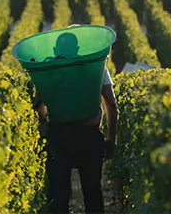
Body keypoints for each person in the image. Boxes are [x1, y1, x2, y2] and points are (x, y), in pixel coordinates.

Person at [33, 28, 117, 214]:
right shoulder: (96, 66)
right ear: (79, 48)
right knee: (93, 192)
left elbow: (39, 105)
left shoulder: (50, 69)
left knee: (58, 195)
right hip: (90, 137)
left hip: (59, 137)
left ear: (55, 50)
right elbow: (111, 104)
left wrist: (45, 127)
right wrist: (111, 139)